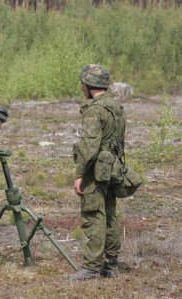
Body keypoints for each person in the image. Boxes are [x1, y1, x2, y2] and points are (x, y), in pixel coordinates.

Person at [71, 64, 126, 280]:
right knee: (111, 213)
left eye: (83, 83)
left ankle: (91, 268)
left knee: (94, 214)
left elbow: (89, 148)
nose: (82, 86)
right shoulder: (116, 107)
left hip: (96, 171)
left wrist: (79, 175)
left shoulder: (95, 110)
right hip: (113, 168)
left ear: (89, 84)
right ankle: (111, 265)